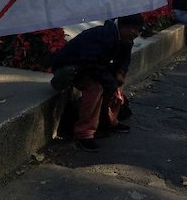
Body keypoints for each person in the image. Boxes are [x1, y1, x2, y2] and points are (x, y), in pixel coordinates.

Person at [49, 14, 144, 152]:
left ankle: (110, 121)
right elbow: (91, 63)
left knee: (115, 83)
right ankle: (84, 134)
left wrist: (120, 73)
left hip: (93, 65)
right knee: (96, 87)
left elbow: (125, 59)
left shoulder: (125, 39)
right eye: (134, 29)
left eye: (139, 31)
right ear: (124, 27)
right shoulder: (103, 36)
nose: (137, 34)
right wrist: (110, 82)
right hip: (72, 67)